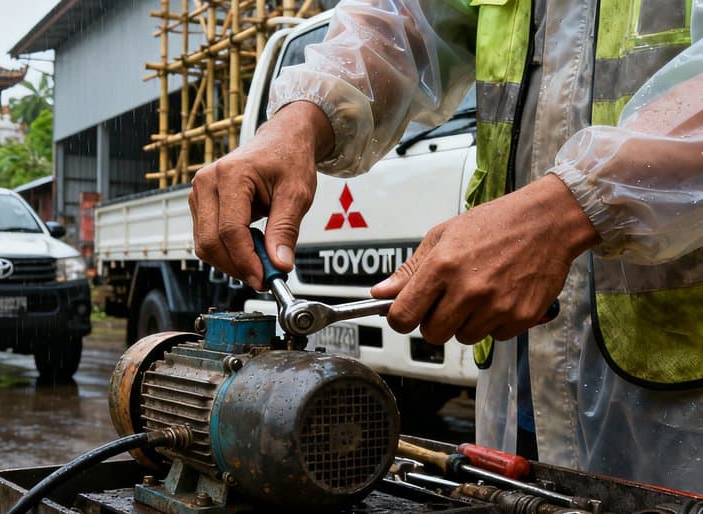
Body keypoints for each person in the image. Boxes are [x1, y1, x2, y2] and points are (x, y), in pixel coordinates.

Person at [188, 0, 703, 492]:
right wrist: (300, 118)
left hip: (683, 402)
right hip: (521, 376)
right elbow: (402, 25)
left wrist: (573, 206)